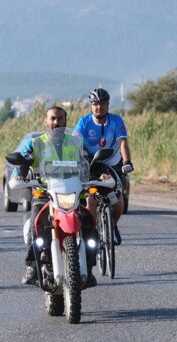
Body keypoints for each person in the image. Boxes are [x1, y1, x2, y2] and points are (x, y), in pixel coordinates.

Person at [17, 106, 98, 288]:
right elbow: (21, 159)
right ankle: (32, 267)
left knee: (90, 225)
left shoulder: (77, 141)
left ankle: (90, 267)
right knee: (34, 226)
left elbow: (93, 158)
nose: (56, 122)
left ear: (66, 120)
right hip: (44, 193)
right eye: (53, 118)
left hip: (73, 191)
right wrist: (19, 175)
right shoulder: (35, 142)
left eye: (60, 118)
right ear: (46, 121)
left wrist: (100, 174)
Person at [73, 88, 133, 246]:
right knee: (91, 201)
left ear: (108, 105)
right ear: (91, 106)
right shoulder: (84, 122)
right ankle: (92, 232)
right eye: (96, 104)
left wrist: (127, 162)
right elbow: (74, 143)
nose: (99, 107)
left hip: (112, 165)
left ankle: (112, 226)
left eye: (103, 104)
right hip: (91, 165)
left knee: (118, 202)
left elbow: (122, 143)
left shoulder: (116, 121)